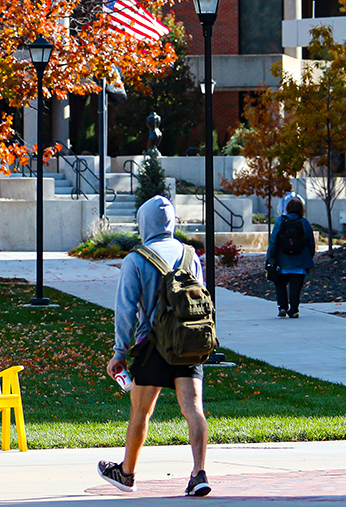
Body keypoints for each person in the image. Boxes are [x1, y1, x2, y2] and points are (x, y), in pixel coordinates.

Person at [97, 194, 211, 498]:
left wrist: (119, 352)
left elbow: (126, 310)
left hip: (153, 347)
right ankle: (198, 473)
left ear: (143, 222)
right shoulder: (191, 256)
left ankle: (127, 473)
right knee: (194, 409)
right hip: (188, 344)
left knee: (141, 411)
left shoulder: (137, 258)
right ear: (171, 222)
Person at [265, 195, 316, 318]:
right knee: (296, 287)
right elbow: (311, 243)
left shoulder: (281, 221)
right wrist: (308, 257)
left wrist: (270, 258)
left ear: (287, 208)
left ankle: (282, 307)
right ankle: (294, 309)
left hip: (282, 261)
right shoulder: (304, 223)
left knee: (280, 284)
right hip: (300, 261)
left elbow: (273, 241)